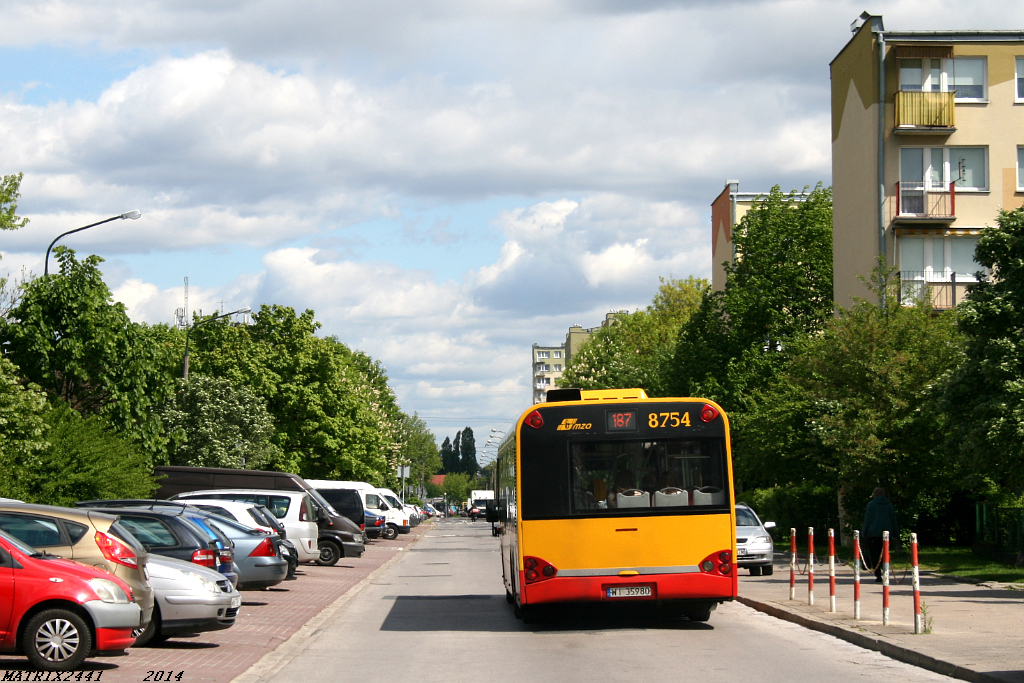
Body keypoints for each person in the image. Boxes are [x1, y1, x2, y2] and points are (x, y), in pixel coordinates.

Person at [862, 487, 899, 583]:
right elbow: (893, 520)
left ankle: (878, 575)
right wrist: (896, 533)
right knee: (885, 554)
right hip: (886, 534)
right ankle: (885, 571)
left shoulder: (871, 505)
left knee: (874, 555)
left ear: (875, 494)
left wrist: (864, 531)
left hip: (873, 534)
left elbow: (867, 519)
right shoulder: (889, 505)